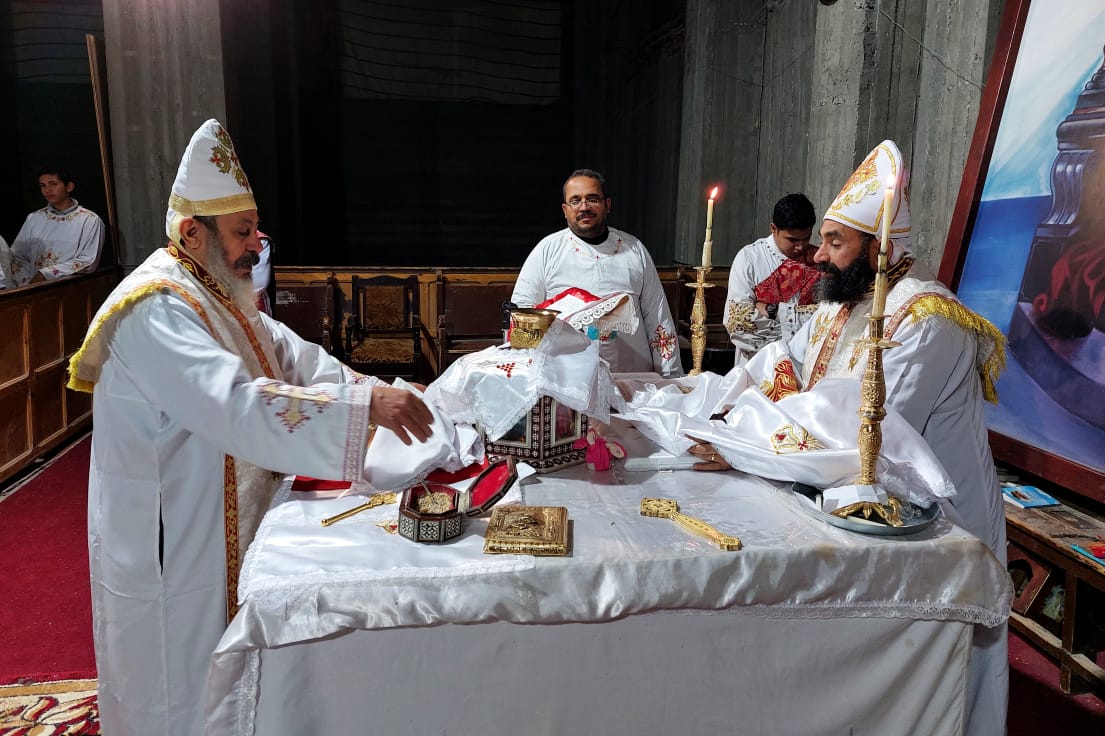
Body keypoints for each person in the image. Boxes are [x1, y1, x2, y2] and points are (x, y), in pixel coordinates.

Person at [67, 119, 434, 736]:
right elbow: (235, 404)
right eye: (242, 231)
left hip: (216, 513)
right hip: (173, 531)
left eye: (254, 229)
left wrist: (378, 388)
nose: (257, 245)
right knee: (176, 678)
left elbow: (292, 356)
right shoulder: (156, 305)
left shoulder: (215, 290)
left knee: (228, 672)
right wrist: (365, 409)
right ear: (192, 232)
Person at [673, 140, 1007, 736]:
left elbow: (863, 432)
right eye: (822, 241)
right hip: (854, 507)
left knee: (940, 678)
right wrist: (720, 410)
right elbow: (782, 362)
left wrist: (744, 443)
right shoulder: (840, 304)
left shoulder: (925, 319)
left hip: (938, 520)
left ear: (878, 249)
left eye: (834, 242)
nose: (819, 256)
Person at [511, 169, 683, 376]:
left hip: (631, 377)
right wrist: (528, 377)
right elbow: (523, 315)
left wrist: (670, 378)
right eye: (575, 201)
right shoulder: (547, 251)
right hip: (568, 379)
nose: (584, 207)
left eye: (592, 199)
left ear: (607, 205)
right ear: (565, 210)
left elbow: (657, 317)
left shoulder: (635, 250)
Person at [723, 192, 821, 359]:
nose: (800, 247)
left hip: (806, 359)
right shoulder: (750, 258)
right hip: (760, 360)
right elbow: (739, 321)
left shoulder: (819, 259)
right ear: (774, 229)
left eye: (806, 238)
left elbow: (826, 317)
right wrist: (794, 339)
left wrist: (773, 311)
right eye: (792, 240)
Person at [8, 167, 104, 286]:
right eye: (43, 185)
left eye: (53, 184)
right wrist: (27, 283)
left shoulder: (89, 219)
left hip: (71, 287)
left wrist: (46, 274)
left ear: (69, 186)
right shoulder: (34, 218)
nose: (47, 190)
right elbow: (17, 256)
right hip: (33, 287)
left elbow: (88, 260)